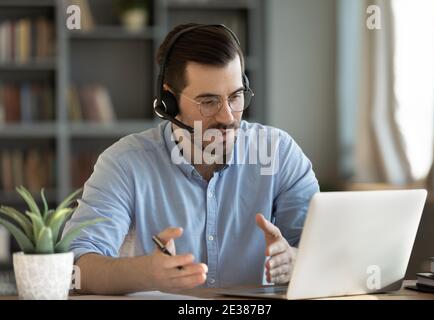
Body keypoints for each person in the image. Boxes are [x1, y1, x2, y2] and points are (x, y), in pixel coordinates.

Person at [63, 23, 319, 295]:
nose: (227, 117)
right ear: (169, 102)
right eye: (208, 102)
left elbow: (324, 252)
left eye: (235, 97)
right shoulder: (124, 163)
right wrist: (147, 273)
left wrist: (293, 260)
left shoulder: (279, 154)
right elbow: (75, 269)